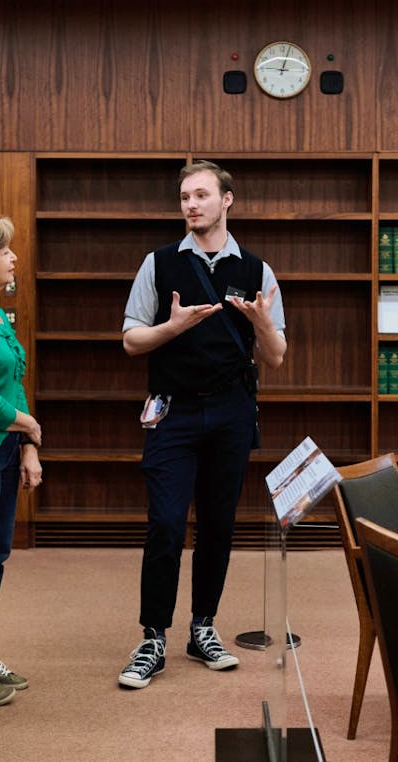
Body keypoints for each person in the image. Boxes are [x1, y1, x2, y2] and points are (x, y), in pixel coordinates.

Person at [119, 160, 286, 689]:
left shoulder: (257, 270)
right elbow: (130, 340)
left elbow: (277, 356)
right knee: (166, 524)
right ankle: (152, 637)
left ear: (227, 200)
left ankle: (202, 627)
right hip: (174, 411)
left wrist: (261, 323)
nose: (191, 205)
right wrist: (171, 326)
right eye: (184, 197)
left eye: (201, 195)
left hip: (233, 411)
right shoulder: (158, 263)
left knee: (218, 525)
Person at [0, 217, 42, 707]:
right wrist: (28, 426)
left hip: (7, 449)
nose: (13, 258)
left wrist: (28, 444)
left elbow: (13, 383)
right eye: (5, 251)